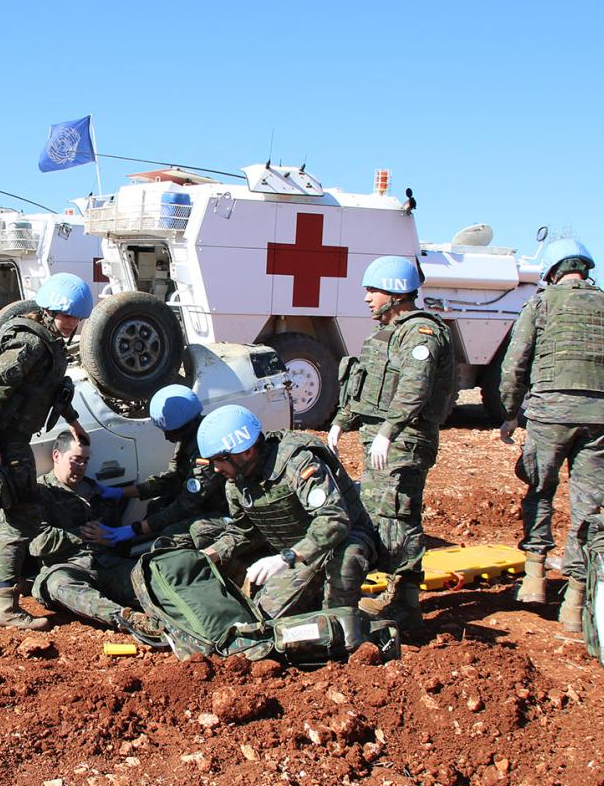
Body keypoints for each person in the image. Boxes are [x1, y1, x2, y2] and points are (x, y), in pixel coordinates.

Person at [498, 238, 604, 631]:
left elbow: (515, 365)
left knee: (539, 490)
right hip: (600, 418)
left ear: (551, 272)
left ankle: (534, 579)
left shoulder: (542, 304)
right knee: (588, 507)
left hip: (549, 414)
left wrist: (510, 414)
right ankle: (575, 601)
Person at [328, 256, 454, 631]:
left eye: (373, 290)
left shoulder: (420, 333)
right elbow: (364, 387)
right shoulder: (385, 334)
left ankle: (405, 603)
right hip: (383, 441)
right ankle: (393, 593)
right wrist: (340, 423)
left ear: (396, 293)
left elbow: (415, 389)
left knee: (399, 517)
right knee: (379, 515)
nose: (367, 298)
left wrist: (389, 430)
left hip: (404, 441)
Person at [0, 272, 94, 630]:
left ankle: (6, 594)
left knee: (15, 515)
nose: (71, 323)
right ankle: (5, 608)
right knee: (21, 517)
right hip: (4, 439)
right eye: (67, 316)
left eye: (76, 318)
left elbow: (52, 388)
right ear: (49, 310)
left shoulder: (50, 341)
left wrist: (73, 422)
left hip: (14, 437)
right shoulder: (30, 343)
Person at [197, 405, 377, 619]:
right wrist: (208, 555)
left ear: (247, 451)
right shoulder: (236, 483)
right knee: (264, 614)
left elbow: (333, 519)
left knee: (347, 556)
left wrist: (286, 559)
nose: (216, 468)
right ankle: (310, 599)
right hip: (292, 550)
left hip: (334, 543)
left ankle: (342, 619)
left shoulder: (296, 463)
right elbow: (243, 531)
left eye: (220, 459)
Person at [28, 432, 167, 645]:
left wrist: (110, 539)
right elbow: (37, 543)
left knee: (154, 580)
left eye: (85, 461)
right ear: (56, 456)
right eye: (75, 460)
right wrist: (80, 534)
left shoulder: (97, 491)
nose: (81, 467)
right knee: (58, 586)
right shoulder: (41, 492)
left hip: (108, 565)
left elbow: (121, 542)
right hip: (68, 567)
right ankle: (127, 619)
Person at [103, 384, 228, 551]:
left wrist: (136, 528)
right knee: (156, 507)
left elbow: (187, 504)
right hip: (200, 502)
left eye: (169, 431)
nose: (166, 437)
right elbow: (171, 479)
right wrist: (121, 492)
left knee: (171, 536)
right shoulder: (189, 439)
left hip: (219, 510)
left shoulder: (207, 449)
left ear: (183, 428)